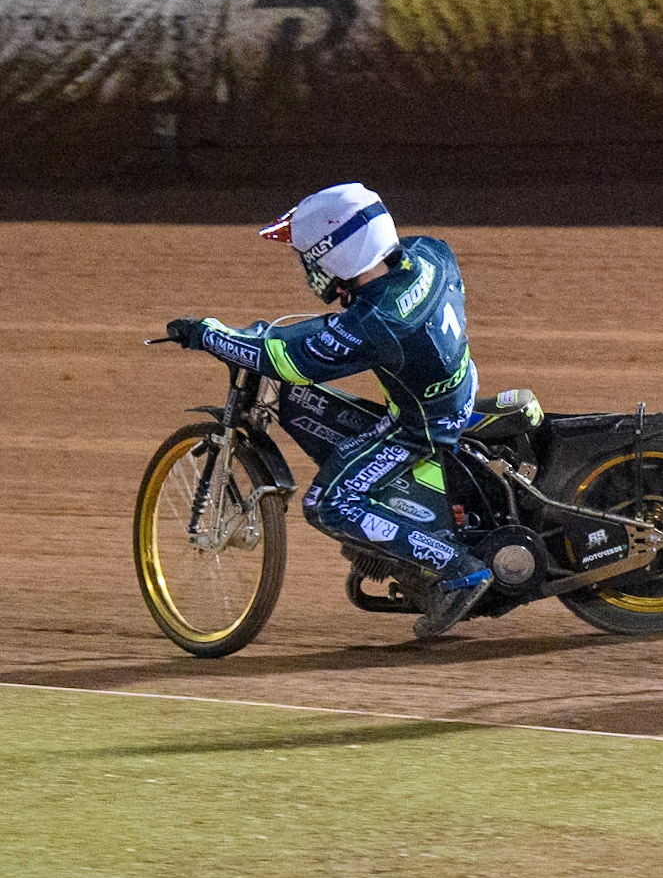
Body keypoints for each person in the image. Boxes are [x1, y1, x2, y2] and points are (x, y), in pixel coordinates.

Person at [165, 183, 492, 639]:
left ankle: (458, 569)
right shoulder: (432, 254)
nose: (308, 268)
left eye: (309, 257)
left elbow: (290, 360)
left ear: (335, 254)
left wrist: (207, 334)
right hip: (459, 388)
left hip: (420, 427)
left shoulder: (377, 323)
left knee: (329, 503)